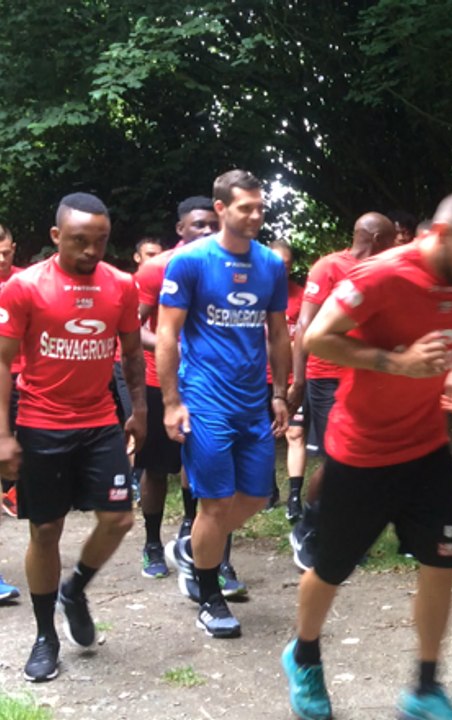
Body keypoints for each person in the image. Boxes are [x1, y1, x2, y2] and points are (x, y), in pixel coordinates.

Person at [281, 187, 452, 720]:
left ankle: (425, 689)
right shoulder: (378, 275)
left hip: (426, 446)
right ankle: (304, 655)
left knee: (441, 562)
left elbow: (451, 329)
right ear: (442, 236)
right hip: (360, 451)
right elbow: (318, 338)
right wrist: (396, 362)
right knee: (330, 568)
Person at [0, 193, 147, 682]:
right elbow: (3, 363)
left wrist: (139, 411)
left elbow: (130, 354)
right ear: (56, 236)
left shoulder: (122, 286)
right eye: (80, 241)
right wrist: (3, 434)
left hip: (99, 420)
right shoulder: (24, 288)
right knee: (45, 530)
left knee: (119, 519)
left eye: (100, 241)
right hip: (41, 421)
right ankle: (46, 636)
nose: (91, 250)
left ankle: (76, 587)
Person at [157, 170, 291, 639]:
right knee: (213, 504)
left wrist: (280, 393)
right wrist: (172, 402)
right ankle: (210, 596)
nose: (256, 216)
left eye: (260, 207)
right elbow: (168, 335)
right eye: (245, 208)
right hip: (206, 398)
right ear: (220, 209)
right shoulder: (190, 262)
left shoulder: (271, 265)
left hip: (253, 399)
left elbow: (277, 333)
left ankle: (195, 548)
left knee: (256, 495)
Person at [286, 213, 395, 569]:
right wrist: (298, 381)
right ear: (377, 238)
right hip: (327, 376)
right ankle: (308, 527)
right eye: (392, 238)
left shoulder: (383, 270)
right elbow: (305, 324)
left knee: (362, 459)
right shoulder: (329, 267)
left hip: (365, 375)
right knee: (338, 460)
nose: (398, 245)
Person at [134, 197, 222, 589]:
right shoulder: (156, 268)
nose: (206, 231)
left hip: (207, 384)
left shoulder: (227, 264)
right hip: (161, 381)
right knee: (155, 467)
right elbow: (131, 329)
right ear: (180, 229)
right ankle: (153, 543)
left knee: (198, 464)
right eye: (198, 225)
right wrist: (175, 348)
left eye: (211, 225)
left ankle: (190, 535)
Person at [269, 239, 306, 511]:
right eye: (277, 264)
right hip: (260, 378)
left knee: (295, 434)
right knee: (263, 435)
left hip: (293, 377)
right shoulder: (253, 293)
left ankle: (295, 497)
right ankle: (269, 490)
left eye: (287, 264)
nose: (283, 269)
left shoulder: (302, 295)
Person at [1, 224, 25, 522]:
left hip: (23, 374)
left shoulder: (25, 281)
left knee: (24, 436)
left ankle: (17, 491)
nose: (1, 259)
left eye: (5, 253)